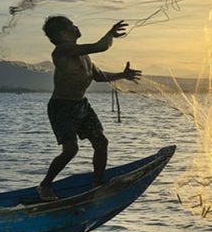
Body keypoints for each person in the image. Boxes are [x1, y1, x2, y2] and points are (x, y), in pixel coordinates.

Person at [37, 16, 141, 201]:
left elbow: (99, 76)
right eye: (72, 26)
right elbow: (100, 46)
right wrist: (110, 34)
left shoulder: (83, 55)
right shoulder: (62, 50)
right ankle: (45, 186)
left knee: (101, 143)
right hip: (62, 107)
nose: (76, 27)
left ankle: (98, 183)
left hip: (81, 105)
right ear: (62, 33)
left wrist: (122, 75)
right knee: (70, 150)